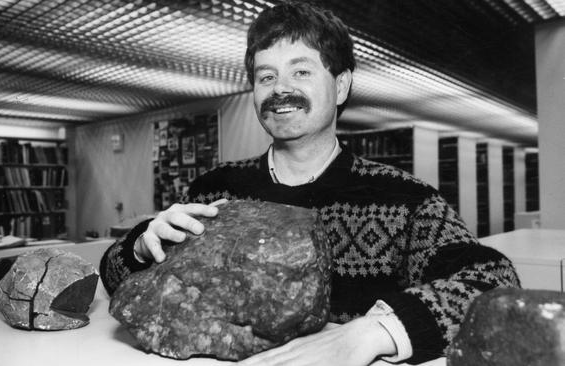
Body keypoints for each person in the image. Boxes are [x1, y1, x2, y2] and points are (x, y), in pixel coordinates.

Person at [100, 2, 520, 365]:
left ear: (341, 86)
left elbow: (496, 284)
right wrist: (141, 245)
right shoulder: (214, 189)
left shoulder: (405, 199)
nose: (280, 88)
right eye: (266, 77)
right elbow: (119, 282)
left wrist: (373, 333)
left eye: (300, 71)